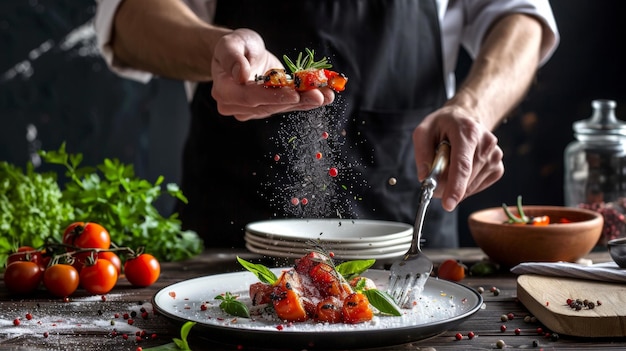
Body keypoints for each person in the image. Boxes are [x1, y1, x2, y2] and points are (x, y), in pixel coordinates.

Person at [94, 0, 559, 249]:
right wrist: (222, 48)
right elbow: (131, 14)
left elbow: (518, 13)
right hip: (228, 237)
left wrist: (472, 107)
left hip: (407, 233)